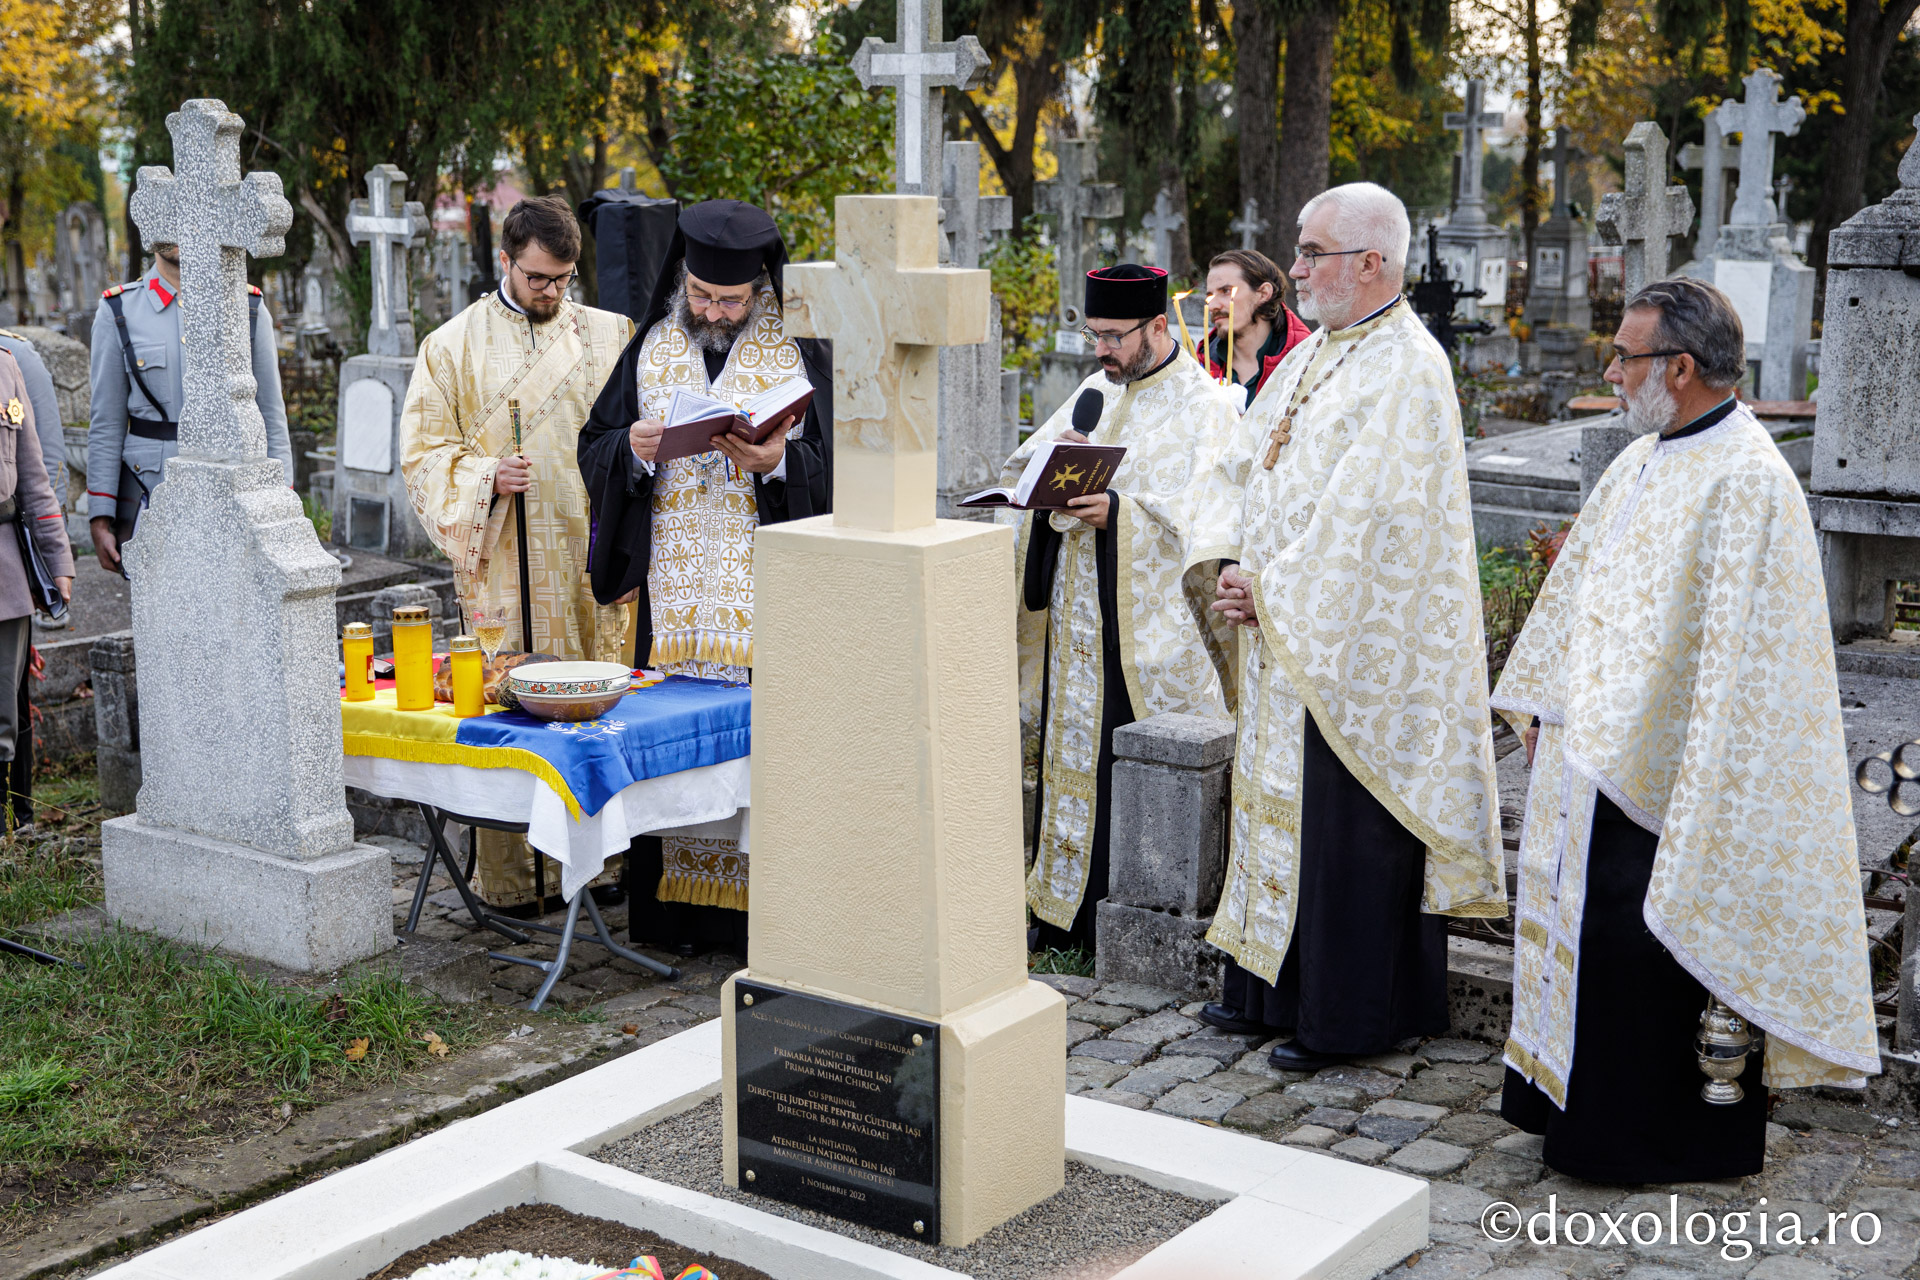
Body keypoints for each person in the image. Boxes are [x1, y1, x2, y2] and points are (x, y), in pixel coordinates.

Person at [1492, 277, 1880, 1181]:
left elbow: (1750, 662)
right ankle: (1571, 1118)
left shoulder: (1748, 478)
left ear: (1679, 366)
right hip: (1591, 757)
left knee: (1639, 948)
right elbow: (1576, 598)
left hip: (1668, 773)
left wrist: (1663, 743)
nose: (1613, 373)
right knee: (1587, 943)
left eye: (1626, 358)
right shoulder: (1643, 459)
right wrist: (1546, 703)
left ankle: (1646, 1140)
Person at [1188, 184, 1507, 1070]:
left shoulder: (1410, 363)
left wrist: (1273, 590)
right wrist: (1225, 558)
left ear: (1372, 262)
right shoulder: (1313, 354)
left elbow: (1370, 521)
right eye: (1298, 249)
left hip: (1353, 651)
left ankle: (1350, 1018)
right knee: (1280, 814)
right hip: (1286, 632)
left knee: (1343, 828)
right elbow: (1248, 463)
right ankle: (1268, 989)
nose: (1292, 269)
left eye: (1312, 252)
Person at [578, 199, 833, 955]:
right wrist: (633, 445)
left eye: (730, 299)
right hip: (676, 608)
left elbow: (845, 469)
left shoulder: (802, 353)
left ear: (760, 287)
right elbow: (594, 443)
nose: (714, 312)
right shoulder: (652, 346)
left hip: (770, 608)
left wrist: (780, 462)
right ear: (681, 281)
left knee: (764, 763)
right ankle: (676, 921)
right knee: (677, 753)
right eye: (701, 295)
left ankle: (769, 923)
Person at [399, 194, 635, 912]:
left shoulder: (609, 334)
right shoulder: (452, 345)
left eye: (563, 279)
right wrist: (484, 478)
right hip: (505, 560)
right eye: (538, 278)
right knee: (514, 703)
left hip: (591, 558)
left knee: (596, 701)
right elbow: (420, 456)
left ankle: (604, 870)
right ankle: (514, 883)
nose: (553, 293)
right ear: (505, 261)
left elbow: (637, 436)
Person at [1011, 263, 1240, 954]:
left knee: (1122, 765)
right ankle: (1056, 910)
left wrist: (1121, 513)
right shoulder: (1091, 393)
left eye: (1115, 336)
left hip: (1147, 638)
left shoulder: (1211, 408)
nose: (1102, 350)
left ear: (1159, 327)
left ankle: (1121, 911)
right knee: (1068, 760)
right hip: (1075, 624)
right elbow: (1020, 471)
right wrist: (1044, 489)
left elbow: (1210, 522)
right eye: (1096, 335)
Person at [87, 243, 292, 574]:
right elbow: (107, 424)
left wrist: (284, 504)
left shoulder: (247, 306)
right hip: (152, 497)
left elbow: (270, 416)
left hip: (235, 493)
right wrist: (100, 516)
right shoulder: (120, 309)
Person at [0, 349, 73, 825]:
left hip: (2, 573)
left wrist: (57, 556)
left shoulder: (4, 365)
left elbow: (32, 475)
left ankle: (9, 833)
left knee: (3, 717)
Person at [1194, 249, 1310, 405]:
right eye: (1210, 295)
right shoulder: (1203, 363)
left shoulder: (1305, 359)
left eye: (1226, 291)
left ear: (1263, 293)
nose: (1213, 305)